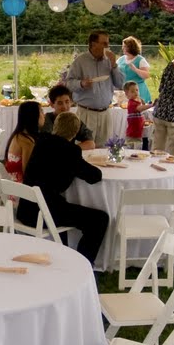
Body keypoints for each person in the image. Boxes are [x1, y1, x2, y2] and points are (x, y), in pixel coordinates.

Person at [19, 112, 108, 264]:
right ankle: (83, 263)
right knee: (99, 219)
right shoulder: (70, 151)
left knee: (67, 207)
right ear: (75, 132)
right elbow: (94, 177)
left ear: (56, 126)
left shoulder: (42, 141)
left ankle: (68, 253)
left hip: (25, 208)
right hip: (44, 213)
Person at [60, 30, 123, 146]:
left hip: (105, 113)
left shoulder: (109, 61)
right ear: (93, 44)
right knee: (85, 149)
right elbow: (68, 83)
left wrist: (114, 65)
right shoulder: (80, 61)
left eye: (108, 43)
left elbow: (120, 83)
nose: (107, 47)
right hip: (86, 113)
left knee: (105, 150)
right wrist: (81, 84)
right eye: (104, 43)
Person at [39, 83, 95, 149]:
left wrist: (69, 150)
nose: (65, 107)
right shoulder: (45, 121)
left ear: (71, 102)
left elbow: (91, 144)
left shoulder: (73, 119)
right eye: (60, 103)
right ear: (52, 104)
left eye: (67, 102)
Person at [4, 101, 40, 182]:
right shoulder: (26, 142)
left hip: (11, 186)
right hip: (20, 190)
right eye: (41, 111)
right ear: (34, 116)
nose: (43, 115)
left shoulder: (17, 135)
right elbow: (27, 173)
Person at [116, 36, 153, 104]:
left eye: (125, 46)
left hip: (138, 90)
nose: (123, 48)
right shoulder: (120, 59)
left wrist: (135, 69)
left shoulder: (140, 60)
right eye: (123, 46)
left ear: (131, 47)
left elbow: (147, 75)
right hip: (125, 91)